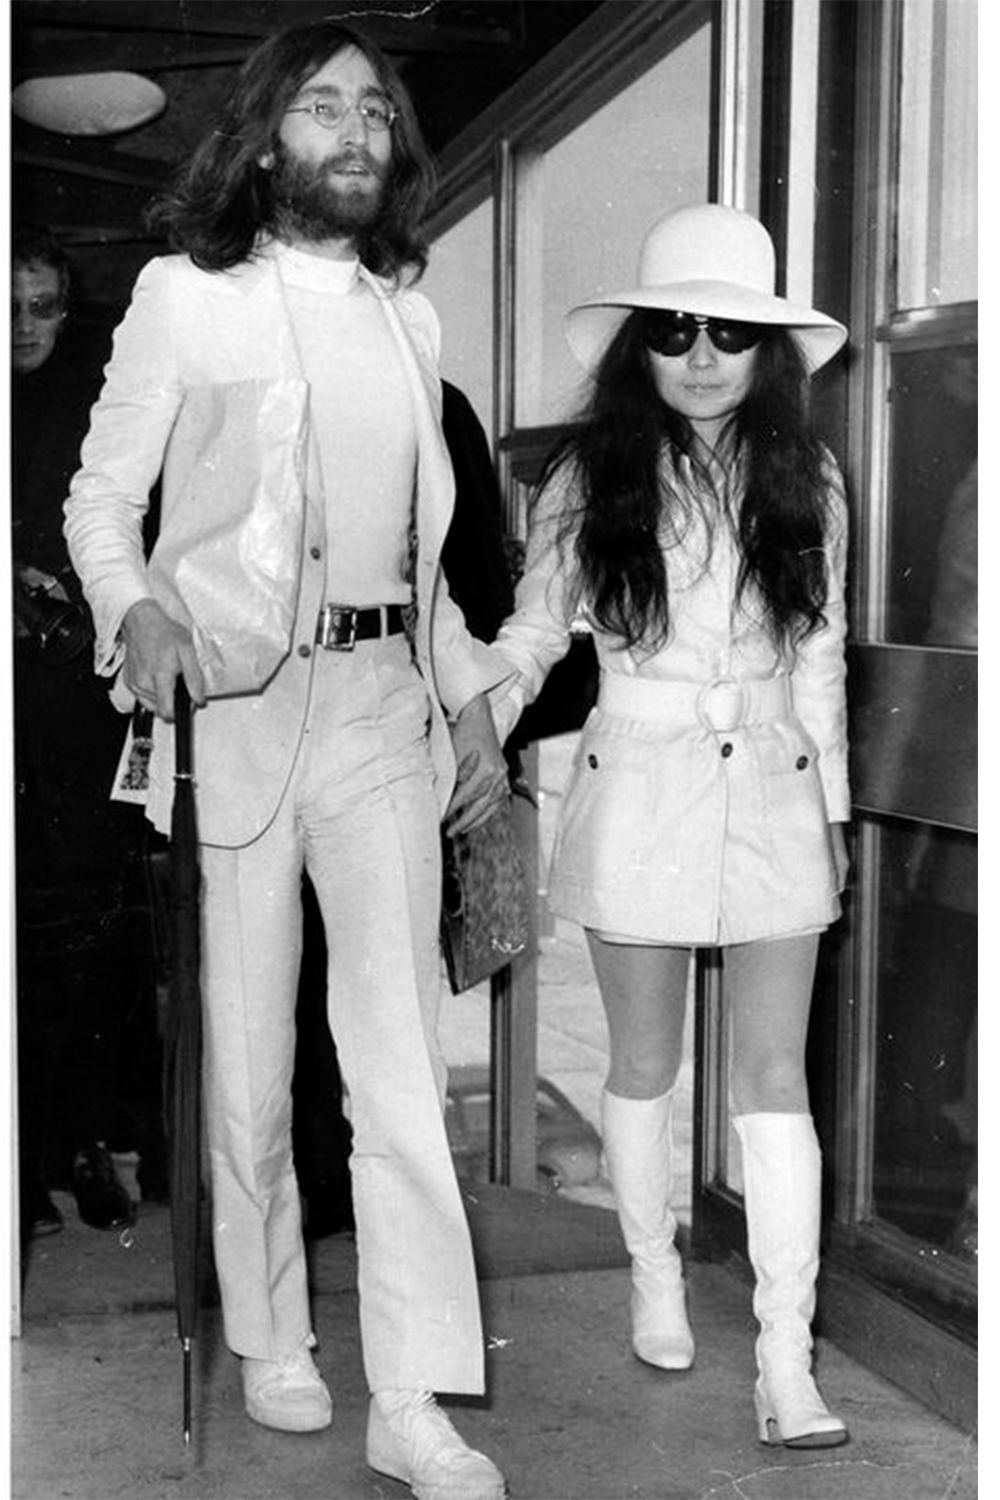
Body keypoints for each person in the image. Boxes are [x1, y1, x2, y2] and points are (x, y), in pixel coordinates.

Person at [63, 21, 509, 1500]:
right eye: (323, 106)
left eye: (374, 107)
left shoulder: (410, 321)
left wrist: (471, 704)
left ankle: (415, 1396)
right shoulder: (186, 300)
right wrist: (135, 609)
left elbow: (424, 569)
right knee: (249, 1068)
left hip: (383, 711)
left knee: (397, 1070)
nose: (356, 130)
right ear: (265, 141)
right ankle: (268, 1335)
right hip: (238, 717)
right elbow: (99, 499)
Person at [478, 203, 852, 1449]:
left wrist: (830, 811)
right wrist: (481, 708)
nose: (700, 356)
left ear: (767, 350)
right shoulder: (589, 479)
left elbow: (818, 659)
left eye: (729, 333)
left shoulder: (811, 477)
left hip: (775, 788)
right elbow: (539, 625)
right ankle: (652, 1276)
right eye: (675, 329)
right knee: (643, 1067)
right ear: (640, 342)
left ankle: (786, 1359)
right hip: (636, 780)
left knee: (774, 1081)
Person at [12, 225, 164, 1241]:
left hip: (74, 710)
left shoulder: (94, 406)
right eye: (10, 309)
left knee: (88, 941)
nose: (26, 328)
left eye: (44, 308)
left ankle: (82, 1142)